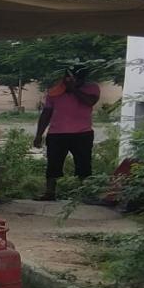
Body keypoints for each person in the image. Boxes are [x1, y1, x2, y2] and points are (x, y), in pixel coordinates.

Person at [33, 67, 100, 201]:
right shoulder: (55, 91)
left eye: (77, 78)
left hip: (83, 133)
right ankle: (49, 193)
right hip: (57, 134)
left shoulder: (92, 88)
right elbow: (46, 113)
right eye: (69, 77)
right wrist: (39, 135)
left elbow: (90, 102)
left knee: (84, 165)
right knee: (53, 164)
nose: (73, 80)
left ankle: (86, 194)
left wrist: (73, 89)